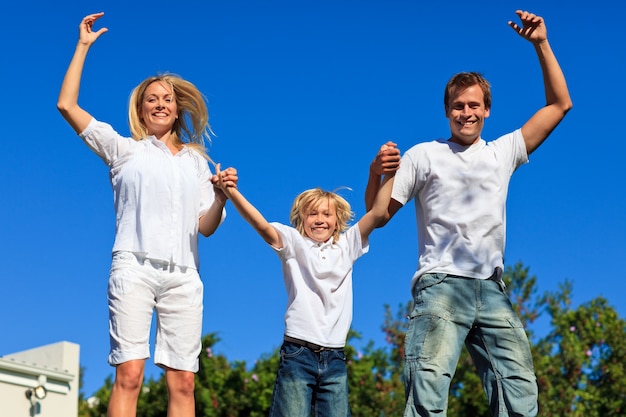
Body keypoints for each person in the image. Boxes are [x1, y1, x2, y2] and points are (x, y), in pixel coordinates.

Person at [365, 10, 572, 417]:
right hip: (441, 285)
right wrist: (377, 174)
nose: (467, 113)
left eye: (474, 105)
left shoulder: (503, 152)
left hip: (493, 289)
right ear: (447, 111)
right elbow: (380, 213)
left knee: (520, 396)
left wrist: (541, 44)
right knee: (427, 394)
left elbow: (560, 104)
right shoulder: (425, 154)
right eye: (458, 106)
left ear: (488, 110)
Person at [57, 12, 236, 417]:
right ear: (141, 111)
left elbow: (204, 228)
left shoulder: (195, 163)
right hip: (133, 269)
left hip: (184, 276)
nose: (160, 104)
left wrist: (222, 197)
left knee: (184, 383)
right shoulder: (124, 150)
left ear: (176, 111)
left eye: (167, 99)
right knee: (130, 375)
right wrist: (83, 46)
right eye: (151, 99)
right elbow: (66, 105)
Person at [211, 143, 399, 417]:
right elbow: (262, 225)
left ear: (337, 221)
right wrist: (232, 192)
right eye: (313, 214)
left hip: (335, 357)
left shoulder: (348, 245)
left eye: (326, 214)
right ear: (301, 219)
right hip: (298, 353)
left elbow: (379, 212)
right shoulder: (293, 242)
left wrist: (388, 171)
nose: (320, 219)